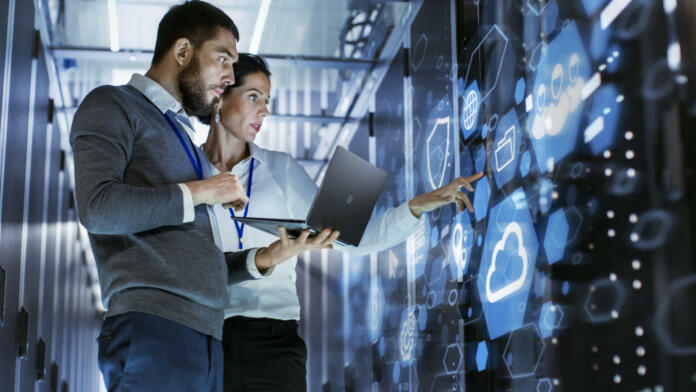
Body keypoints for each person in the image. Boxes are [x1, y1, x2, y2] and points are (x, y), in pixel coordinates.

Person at [70, 3, 337, 391]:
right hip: (154, 327)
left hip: (206, 338)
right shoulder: (113, 104)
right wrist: (203, 190)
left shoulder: (184, 142)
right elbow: (98, 207)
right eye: (223, 59)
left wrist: (266, 259)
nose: (229, 76)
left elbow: (197, 259)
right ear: (182, 52)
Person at [198, 53, 483, 391]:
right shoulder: (187, 172)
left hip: (274, 341)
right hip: (206, 336)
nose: (265, 110)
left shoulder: (280, 168)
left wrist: (418, 206)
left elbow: (356, 238)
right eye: (254, 97)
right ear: (221, 95)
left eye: (268, 101)